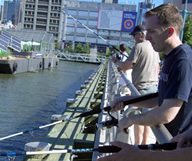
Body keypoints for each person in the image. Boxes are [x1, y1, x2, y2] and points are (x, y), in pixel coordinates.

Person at [97, 3, 192, 160]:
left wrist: (130, 120)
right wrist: (128, 100)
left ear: (169, 32)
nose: (147, 37)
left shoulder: (183, 60)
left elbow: (166, 114)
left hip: (179, 147)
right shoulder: (170, 57)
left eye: (152, 32)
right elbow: (162, 97)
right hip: (169, 141)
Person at [115, 25, 160, 144]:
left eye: (134, 35)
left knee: (138, 119)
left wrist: (117, 62)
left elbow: (127, 65)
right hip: (153, 89)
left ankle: (138, 146)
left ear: (140, 34)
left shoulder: (138, 46)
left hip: (140, 89)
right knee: (148, 120)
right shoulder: (154, 47)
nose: (133, 38)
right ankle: (144, 145)